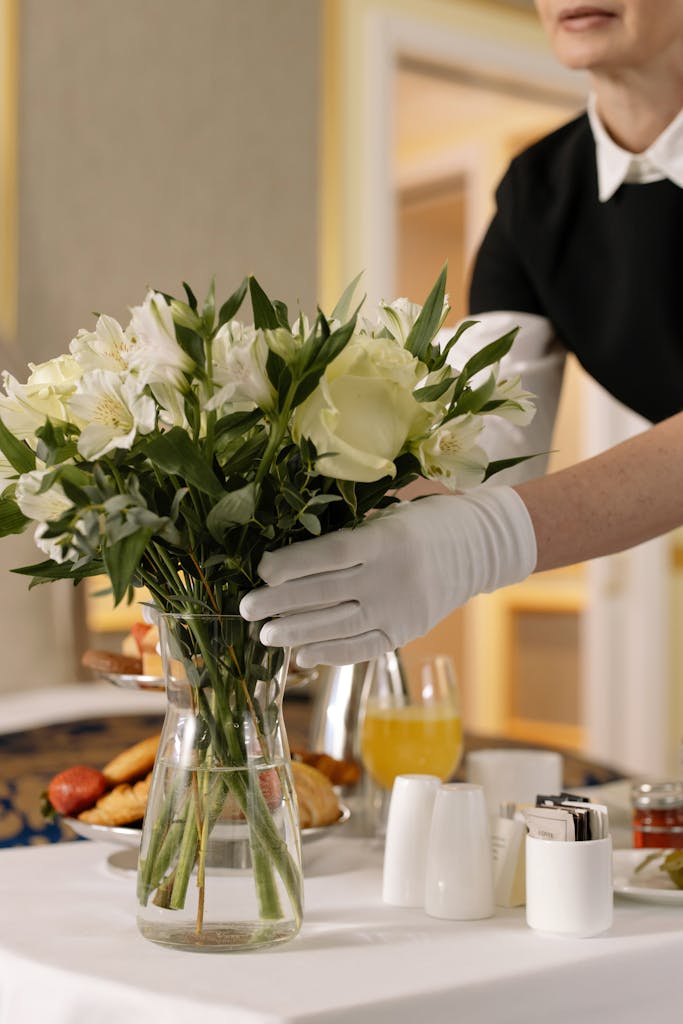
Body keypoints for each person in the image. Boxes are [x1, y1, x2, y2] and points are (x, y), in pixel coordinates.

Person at [240, 0, 683, 667]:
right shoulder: (536, 192)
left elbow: (487, 516)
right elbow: (485, 440)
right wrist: (271, 513)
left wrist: (484, 541)